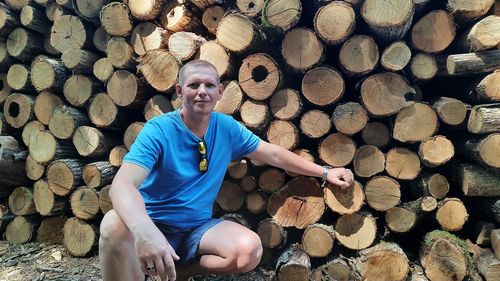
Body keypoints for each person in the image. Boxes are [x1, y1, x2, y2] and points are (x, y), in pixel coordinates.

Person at [99, 60, 354, 281]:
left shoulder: (226, 128)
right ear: (179, 91)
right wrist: (145, 232)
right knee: (113, 224)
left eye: (209, 85)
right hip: (155, 222)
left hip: (195, 229)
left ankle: (181, 272)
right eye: (193, 85)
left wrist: (324, 172)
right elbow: (123, 185)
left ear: (220, 92)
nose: (202, 92)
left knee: (249, 250)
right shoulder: (159, 130)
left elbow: (273, 154)